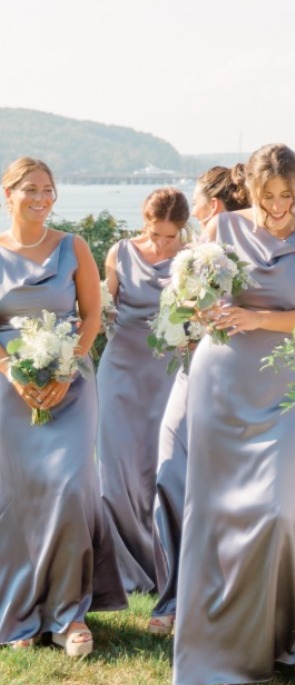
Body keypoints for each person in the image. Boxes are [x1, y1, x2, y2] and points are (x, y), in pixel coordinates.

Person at [172, 145, 295, 685]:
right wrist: (200, 307)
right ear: (249, 188)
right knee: (217, 511)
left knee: (277, 507)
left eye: (287, 196)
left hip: (287, 382)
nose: (278, 208)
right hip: (222, 378)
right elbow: (196, 303)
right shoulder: (220, 230)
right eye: (267, 197)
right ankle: (219, 641)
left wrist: (258, 316)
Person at [0, 157, 126, 656]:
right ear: (7, 193)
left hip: (71, 383)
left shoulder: (73, 247)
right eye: (30, 189)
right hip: (8, 387)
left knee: (71, 488)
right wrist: (12, 370)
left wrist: (65, 368)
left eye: (48, 189)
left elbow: (92, 316)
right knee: (16, 499)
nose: (41, 198)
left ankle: (69, 616)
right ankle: (21, 611)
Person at [149, 164, 250, 636]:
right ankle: (174, 591)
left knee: (221, 485)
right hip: (192, 369)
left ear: (212, 208)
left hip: (230, 375)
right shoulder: (198, 254)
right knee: (171, 470)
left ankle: (210, 596)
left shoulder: (242, 251)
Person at [97, 187, 191, 592]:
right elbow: (105, 305)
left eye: (171, 236)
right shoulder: (119, 252)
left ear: (183, 229)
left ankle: (165, 558)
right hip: (120, 368)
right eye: (155, 234)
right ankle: (122, 564)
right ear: (144, 221)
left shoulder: (195, 258)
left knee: (160, 466)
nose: (162, 243)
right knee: (117, 467)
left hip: (169, 372)